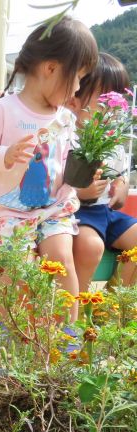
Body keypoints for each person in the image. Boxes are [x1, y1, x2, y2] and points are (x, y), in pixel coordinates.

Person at [0, 16, 98, 319]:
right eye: (77, 77)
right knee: (16, 272)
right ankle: (4, 334)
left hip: (55, 209)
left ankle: (67, 335)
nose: (78, 87)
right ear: (50, 68)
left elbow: (68, 160)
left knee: (62, 261)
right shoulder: (6, 109)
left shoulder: (64, 117)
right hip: (12, 214)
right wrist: (6, 154)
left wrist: (86, 165)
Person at [67, 52, 137, 289]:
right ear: (73, 102)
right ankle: (76, 307)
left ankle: (112, 301)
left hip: (106, 213)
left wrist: (121, 189)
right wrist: (80, 192)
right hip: (78, 214)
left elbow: (120, 178)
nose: (113, 110)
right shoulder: (68, 140)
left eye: (118, 103)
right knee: (90, 247)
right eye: (105, 102)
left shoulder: (113, 143)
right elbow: (56, 184)